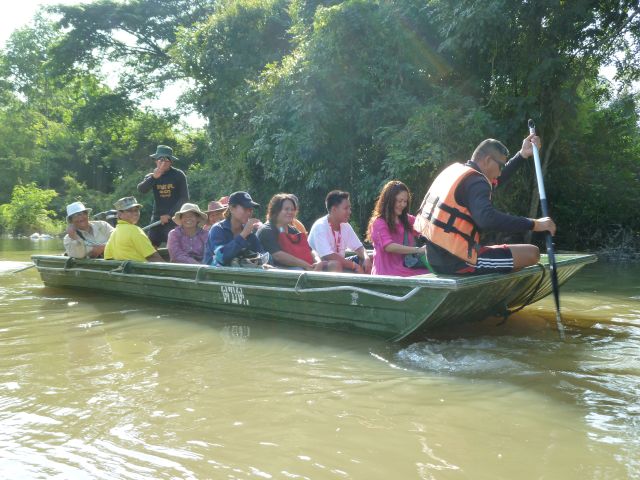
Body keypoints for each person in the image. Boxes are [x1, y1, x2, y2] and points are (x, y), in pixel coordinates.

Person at [414, 133, 556, 274]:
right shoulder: (476, 181)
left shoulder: (458, 173)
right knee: (532, 254)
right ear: (487, 160)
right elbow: (487, 219)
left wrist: (522, 154)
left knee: (514, 258)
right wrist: (535, 224)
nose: (500, 172)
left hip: (436, 257)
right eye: (501, 166)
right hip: (457, 261)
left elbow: (496, 181)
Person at [257, 194, 336, 271]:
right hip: (275, 270)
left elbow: (310, 250)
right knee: (299, 270)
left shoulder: (293, 230)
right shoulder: (266, 230)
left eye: (292, 209)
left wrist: (318, 262)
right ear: (276, 211)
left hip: (301, 266)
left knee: (333, 265)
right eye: (286, 209)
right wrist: (306, 265)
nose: (290, 212)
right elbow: (278, 256)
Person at [366, 181, 430, 276]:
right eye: (400, 201)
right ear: (390, 200)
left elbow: (427, 228)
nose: (403, 205)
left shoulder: (408, 219)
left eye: (405, 201)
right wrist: (418, 250)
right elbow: (389, 246)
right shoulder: (379, 222)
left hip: (406, 269)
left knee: (436, 273)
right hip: (386, 274)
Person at [137, 145, 189, 247]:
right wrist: (154, 177)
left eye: (167, 160)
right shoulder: (151, 176)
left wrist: (170, 215)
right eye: (161, 159)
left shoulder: (178, 175)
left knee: (176, 247)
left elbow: (184, 198)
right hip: (157, 218)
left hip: (175, 217)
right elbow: (141, 190)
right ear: (156, 161)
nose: (163, 162)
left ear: (171, 162)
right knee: (150, 248)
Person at [308, 190, 372, 273]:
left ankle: (367, 285)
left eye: (349, 208)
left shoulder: (345, 225)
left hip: (341, 263)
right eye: (346, 208)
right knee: (335, 264)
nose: (349, 212)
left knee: (372, 258)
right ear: (334, 209)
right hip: (321, 267)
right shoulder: (320, 226)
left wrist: (366, 258)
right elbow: (329, 256)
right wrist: (354, 265)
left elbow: (359, 247)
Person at [203, 191, 266, 266]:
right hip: (214, 276)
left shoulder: (249, 232)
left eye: (250, 209)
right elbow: (221, 257)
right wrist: (243, 234)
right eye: (245, 208)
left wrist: (261, 261)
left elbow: (264, 256)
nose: (249, 213)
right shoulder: (217, 229)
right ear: (232, 208)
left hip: (238, 276)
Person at [104, 197, 164, 262]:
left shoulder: (114, 232)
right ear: (120, 214)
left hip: (123, 270)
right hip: (138, 271)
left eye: (136, 210)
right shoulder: (135, 230)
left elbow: (108, 257)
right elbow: (152, 256)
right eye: (129, 210)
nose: (135, 213)